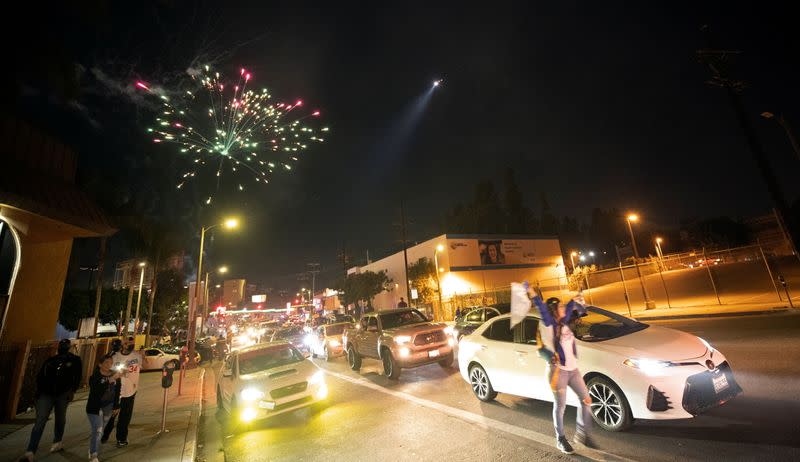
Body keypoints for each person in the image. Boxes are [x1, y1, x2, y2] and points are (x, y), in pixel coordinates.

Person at [530, 289, 595, 454]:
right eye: (560, 307)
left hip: (573, 370)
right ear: (553, 310)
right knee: (560, 407)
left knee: (586, 399)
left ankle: (582, 433)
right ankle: (560, 438)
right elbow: (542, 308)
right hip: (557, 372)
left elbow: (573, 307)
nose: (563, 308)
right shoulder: (549, 323)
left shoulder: (564, 321)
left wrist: (576, 299)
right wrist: (532, 292)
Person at [19, 339, 83, 462]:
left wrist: (72, 391)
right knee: (40, 421)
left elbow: (77, 376)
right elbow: (41, 376)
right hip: (46, 394)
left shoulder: (75, 360)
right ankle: (30, 451)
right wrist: (38, 393)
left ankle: (57, 441)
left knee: (60, 418)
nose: (62, 347)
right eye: (61, 345)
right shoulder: (51, 360)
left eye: (64, 345)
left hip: (63, 394)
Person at [101, 336, 142, 447]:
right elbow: (106, 372)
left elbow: (145, 365)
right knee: (111, 416)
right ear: (122, 343)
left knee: (124, 417)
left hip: (130, 391)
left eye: (131, 341)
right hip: (115, 392)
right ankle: (104, 436)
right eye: (126, 341)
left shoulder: (137, 356)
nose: (129, 343)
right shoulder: (115, 357)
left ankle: (121, 439)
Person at [86, 354, 121, 462]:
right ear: (100, 364)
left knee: (99, 430)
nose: (109, 365)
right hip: (95, 408)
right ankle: (93, 454)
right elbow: (96, 391)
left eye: (111, 362)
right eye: (106, 362)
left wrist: (116, 406)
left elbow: (117, 392)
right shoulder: (95, 377)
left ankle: (92, 447)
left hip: (108, 407)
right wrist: (110, 380)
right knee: (99, 430)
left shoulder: (115, 375)